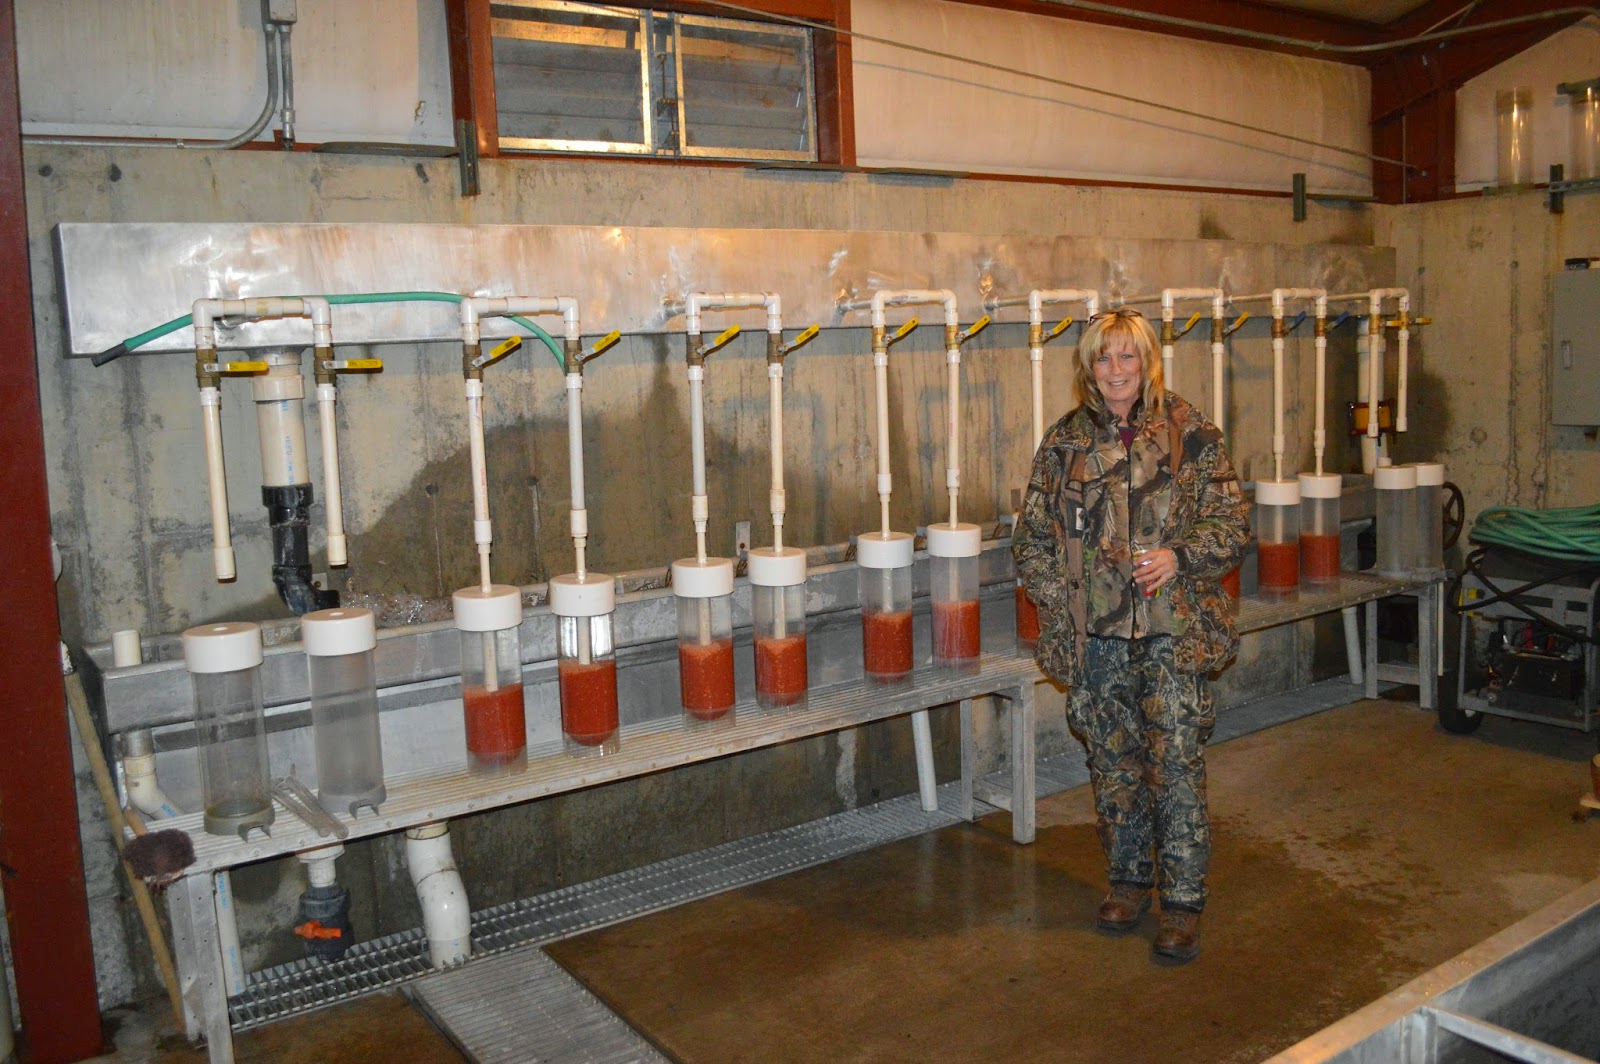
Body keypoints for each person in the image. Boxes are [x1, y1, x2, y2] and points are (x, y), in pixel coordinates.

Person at [1013, 306, 1248, 962]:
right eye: (1104, 358)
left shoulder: (1190, 432)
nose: (1116, 370)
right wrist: (1065, 602)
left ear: (1147, 362)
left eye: (1128, 357)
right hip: (1099, 638)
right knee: (1112, 760)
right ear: (1088, 367)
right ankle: (1127, 880)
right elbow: (1032, 536)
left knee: (1174, 763)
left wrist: (1181, 555)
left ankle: (1182, 901)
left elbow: (1231, 523)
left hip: (1173, 630)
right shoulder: (1065, 443)